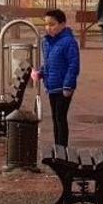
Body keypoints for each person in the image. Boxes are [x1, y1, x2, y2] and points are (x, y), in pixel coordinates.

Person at [40, 8, 80, 147]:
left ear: (62, 24)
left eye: (52, 24)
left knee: (60, 117)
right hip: (52, 85)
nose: (48, 28)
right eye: (46, 24)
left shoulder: (69, 42)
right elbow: (49, 63)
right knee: (55, 118)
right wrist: (41, 73)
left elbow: (73, 65)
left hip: (63, 87)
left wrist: (68, 85)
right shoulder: (48, 42)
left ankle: (62, 147)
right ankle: (58, 146)